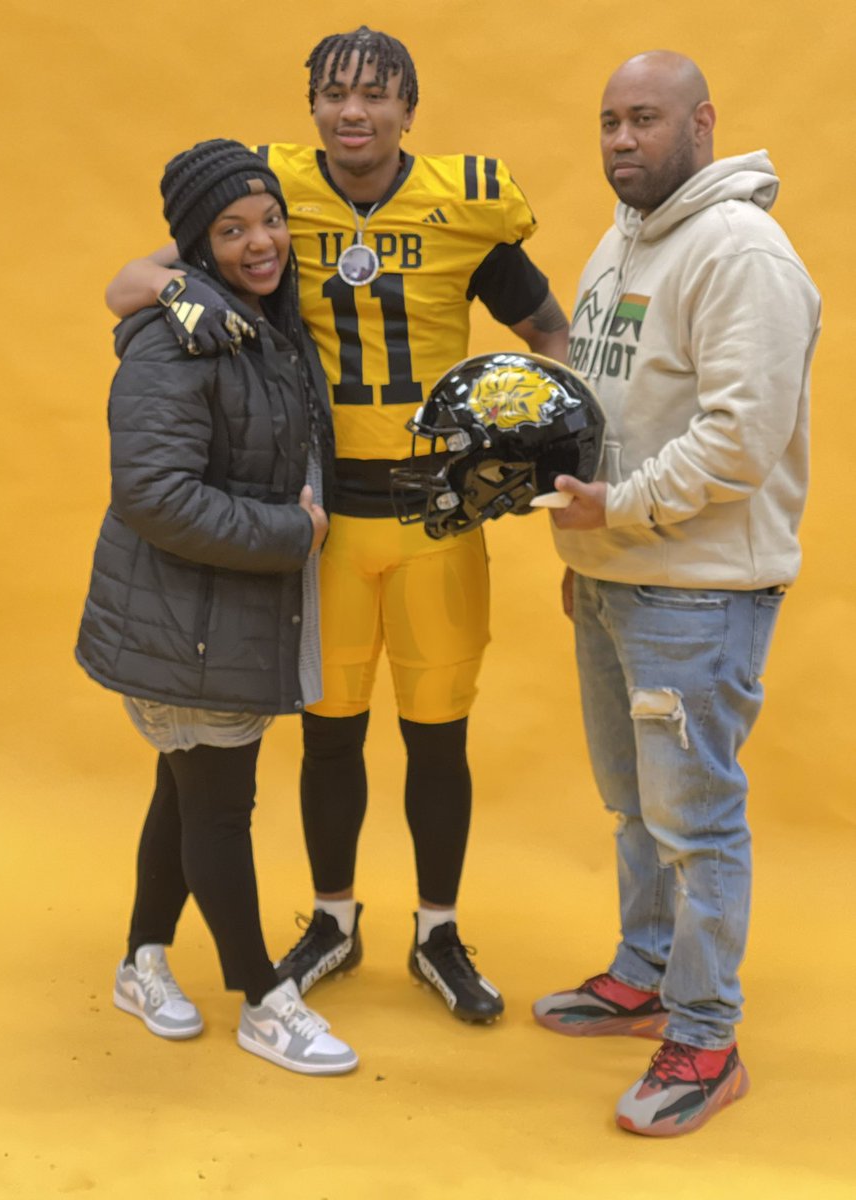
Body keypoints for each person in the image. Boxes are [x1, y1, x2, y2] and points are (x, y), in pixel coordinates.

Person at [106, 26, 570, 1024]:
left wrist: (539, 431)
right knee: (331, 735)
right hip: (325, 522)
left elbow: (547, 331)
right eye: (334, 93)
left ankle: (437, 930)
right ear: (309, 103)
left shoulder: (463, 201)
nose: (353, 111)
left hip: (439, 514)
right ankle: (334, 918)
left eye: (376, 93)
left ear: (412, 107)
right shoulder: (266, 197)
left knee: (439, 737)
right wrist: (181, 285)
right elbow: (128, 284)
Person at [532, 52, 821, 1135]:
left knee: (695, 821)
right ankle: (646, 972)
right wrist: (589, 558)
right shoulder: (626, 237)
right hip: (619, 577)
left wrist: (617, 516)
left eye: (644, 119)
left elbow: (740, 440)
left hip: (698, 592)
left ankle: (704, 1040)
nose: (620, 139)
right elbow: (612, 406)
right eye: (608, 119)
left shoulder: (739, 251)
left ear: (701, 122)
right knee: (634, 805)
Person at [77, 138, 358, 1076]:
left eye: (270, 220)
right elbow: (154, 494)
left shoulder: (251, 316)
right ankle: (263, 999)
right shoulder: (178, 335)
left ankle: (141, 961)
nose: (261, 242)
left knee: (185, 783)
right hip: (186, 618)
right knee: (219, 809)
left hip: (218, 614)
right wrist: (296, 532)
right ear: (195, 247)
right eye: (230, 230)